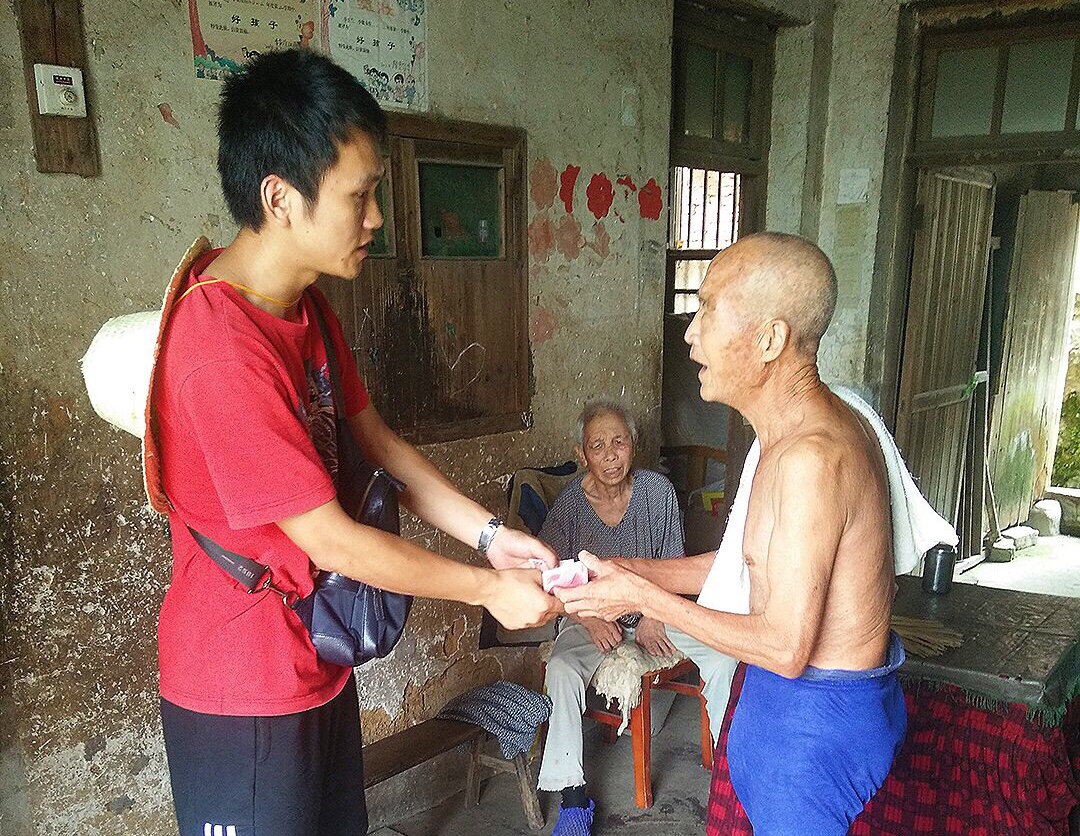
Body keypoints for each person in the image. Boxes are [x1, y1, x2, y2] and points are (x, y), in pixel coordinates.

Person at [152, 49, 559, 836]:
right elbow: (331, 541)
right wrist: (485, 589)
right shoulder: (221, 350)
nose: (376, 217)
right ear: (280, 197)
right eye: (359, 195)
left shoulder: (305, 308)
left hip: (315, 660)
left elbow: (377, 442)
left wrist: (491, 537)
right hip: (241, 690)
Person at [557, 233, 907, 836]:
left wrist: (645, 599)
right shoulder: (785, 434)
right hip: (790, 712)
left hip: (816, 727)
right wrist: (630, 571)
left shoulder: (811, 459)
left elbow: (786, 647)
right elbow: (748, 561)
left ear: (770, 340)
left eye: (708, 309)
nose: (690, 333)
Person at [537, 398, 737, 836]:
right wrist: (589, 618)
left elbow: (674, 565)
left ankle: (734, 771)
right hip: (593, 618)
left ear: (634, 444)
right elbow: (547, 577)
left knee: (725, 654)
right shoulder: (570, 506)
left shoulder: (656, 492)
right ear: (581, 453)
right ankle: (573, 799)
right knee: (562, 668)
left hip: (656, 610)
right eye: (598, 446)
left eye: (619, 442)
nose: (610, 455)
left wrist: (654, 612)